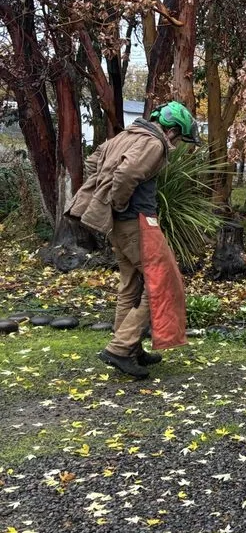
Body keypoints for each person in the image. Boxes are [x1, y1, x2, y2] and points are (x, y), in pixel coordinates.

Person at [67, 101, 200, 379]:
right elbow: (127, 174)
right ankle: (120, 348)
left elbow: (94, 162)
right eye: (181, 137)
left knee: (132, 283)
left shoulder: (126, 135)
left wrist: (109, 203)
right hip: (137, 223)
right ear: (173, 130)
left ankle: (131, 348)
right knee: (163, 283)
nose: (178, 143)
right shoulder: (154, 142)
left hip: (119, 225)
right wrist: (118, 202)